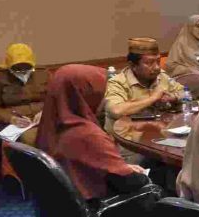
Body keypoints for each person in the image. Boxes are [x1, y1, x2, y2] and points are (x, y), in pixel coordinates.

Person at [36, 64, 150, 201]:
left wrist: (121, 167)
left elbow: (87, 164)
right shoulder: (87, 134)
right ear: (87, 95)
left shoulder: (51, 123)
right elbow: (129, 184)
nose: (105, 100)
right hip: (99, 205)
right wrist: (139, 175)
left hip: (62, 204)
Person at [104, 37, 184, 136]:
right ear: (132, 65)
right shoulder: (118, 82)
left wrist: (174, 97)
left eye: (158, 61)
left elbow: (185, 93)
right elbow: (117, 110)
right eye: (149, 63)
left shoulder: (161, 76)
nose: (157, 67)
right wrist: (152, 98)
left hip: (158, 135)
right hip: (125, 140)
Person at [0, 43, 49, 145]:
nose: (23, 71)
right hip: (15, 123)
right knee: (32, 139)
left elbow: (53, 98)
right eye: (17, 68)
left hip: (43, 119)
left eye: (27, 67)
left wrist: (44, 113)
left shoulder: (42, 73)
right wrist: (12, 119)